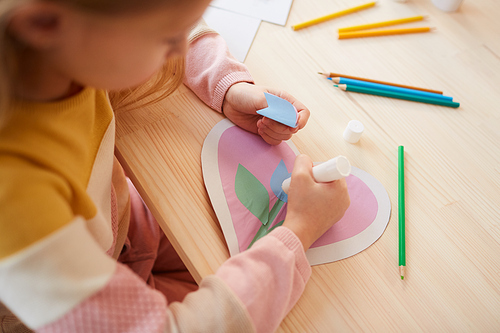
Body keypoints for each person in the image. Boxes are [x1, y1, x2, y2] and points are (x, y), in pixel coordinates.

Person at [0, 0, 350, 332]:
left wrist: (227, 85)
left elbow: (161, 16)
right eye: (168, 40)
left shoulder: (58, 49)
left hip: (118, 229)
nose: (180, 50)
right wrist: (299, 231)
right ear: (42, 25)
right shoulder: (19, 211)